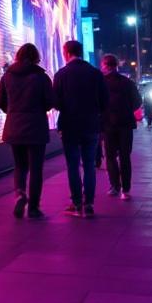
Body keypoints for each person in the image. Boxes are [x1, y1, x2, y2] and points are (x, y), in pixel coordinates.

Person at [0, 43, 54, 219]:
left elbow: (1, 101)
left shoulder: (7, 76)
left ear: (18, 56)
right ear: (36, 57)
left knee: (20, 165)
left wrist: (13, 112)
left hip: (14, 126)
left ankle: (20, 194)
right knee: (36, 168)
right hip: (36, 127)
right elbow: (49, 102)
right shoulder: (42, 77)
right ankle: (34, 208)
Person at [53, 40, 106, 218]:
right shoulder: (96, 73)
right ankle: (89, 204)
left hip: (69, 125)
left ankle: (76, 204)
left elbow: (56, 102)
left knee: (73, 165)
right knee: (89, 165)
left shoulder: (61, 74)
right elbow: (104, 101)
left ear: (67, 53)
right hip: (91, 125)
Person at [100, 54, 141, 200]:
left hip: (108, 124)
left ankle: (115, 186)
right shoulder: (127, 82)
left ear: (105, 65)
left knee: (110, 156)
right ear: (116, 65)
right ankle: (126, 189)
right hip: (125, 124)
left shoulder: (101, 83)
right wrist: (126, 110)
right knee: (125, 157)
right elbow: (137, 101)